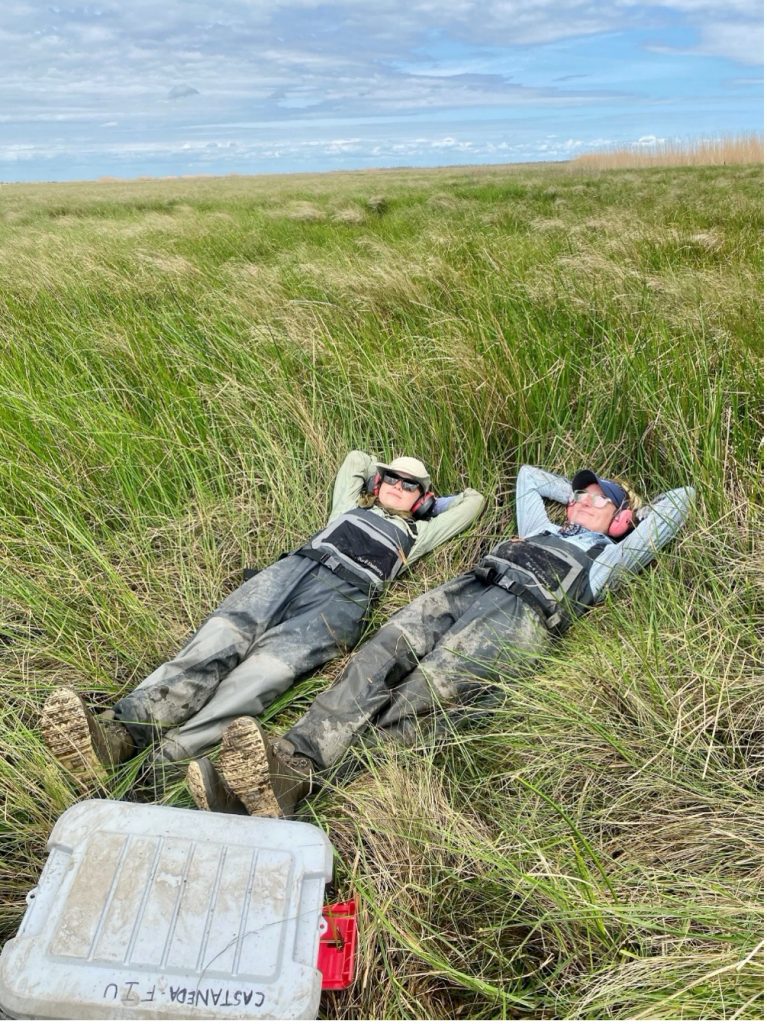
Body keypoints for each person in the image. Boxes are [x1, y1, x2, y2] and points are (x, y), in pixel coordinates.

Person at [186, 464, 694, 818]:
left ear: (623, 519)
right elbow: (529, 480)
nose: (582, 501)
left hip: (520, 619)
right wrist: (579, 498)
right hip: (471, 586)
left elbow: (681, 502)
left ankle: (306, 791)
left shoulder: (610, 558)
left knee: (422, 699)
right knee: (380, 654)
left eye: (597, 499)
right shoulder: (539, 528)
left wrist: (631, 520)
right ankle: (289, 765)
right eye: (579, 495)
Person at [41, 450, 485, 786]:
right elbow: (355, 458)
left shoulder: (417, 533)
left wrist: (429, 505)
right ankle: (122, 733)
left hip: (341, 601)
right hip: (288, 574)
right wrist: (379, 478)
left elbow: (473, 501)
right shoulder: (348, 509)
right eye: (391, 477)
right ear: (377, 480)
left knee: (258, 678)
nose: (397, 487)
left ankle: (164, 765)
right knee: (216, 642)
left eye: (410, 486)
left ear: (422, 498)